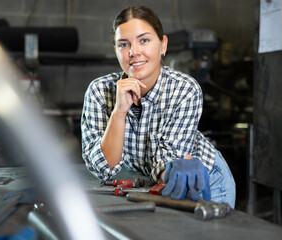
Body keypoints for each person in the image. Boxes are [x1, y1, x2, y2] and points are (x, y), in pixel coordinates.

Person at [81, 5, 236, 208]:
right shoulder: (99, 91)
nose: (134, 52)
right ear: (116, 51)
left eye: (144, 40)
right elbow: (102, 168)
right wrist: (119, 111)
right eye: (124, 45)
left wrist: (171, 170)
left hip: (204, 180)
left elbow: (168, 160)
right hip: (150, 183)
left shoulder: (184, 89)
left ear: (163, 45)